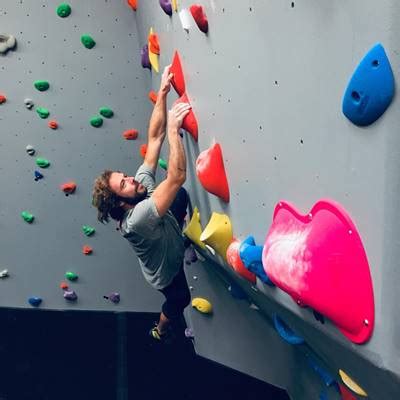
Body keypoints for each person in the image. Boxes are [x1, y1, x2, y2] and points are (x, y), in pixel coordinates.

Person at [92, 65, 192, 342]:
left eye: (124, 177)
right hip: (166, 271)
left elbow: (154, 137)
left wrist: (162, 93)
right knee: (180, 299)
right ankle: (160, 330)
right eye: (123, 184)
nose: (130, 179)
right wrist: (175, 130)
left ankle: (182, 237)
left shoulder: (138, 190)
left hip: (164, 230)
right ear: (120, 204)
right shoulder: (137, 218)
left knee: (179, 198)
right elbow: (177, 176)